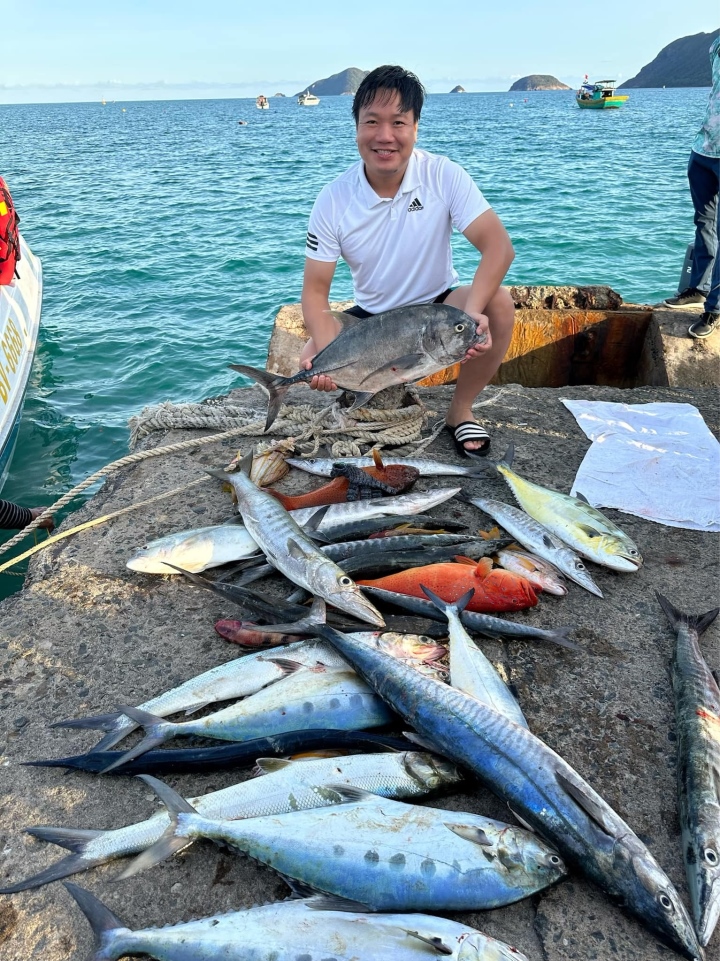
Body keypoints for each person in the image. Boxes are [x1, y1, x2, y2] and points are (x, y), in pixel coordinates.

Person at [299, 64, 515, 456]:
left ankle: (460, 411)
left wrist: (475, 313)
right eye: (372, 122)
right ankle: (353, 385)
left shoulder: (443, 175)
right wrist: (325, 347)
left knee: (498, 303)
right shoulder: (333, 199)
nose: (385, 136)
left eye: (398, 122)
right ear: (356, 127)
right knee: (319, 337)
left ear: (415, 127)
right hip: (369, 318)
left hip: (437, 307)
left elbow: (499, 247)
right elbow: (315, 292)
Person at [663, 35, 720, 339]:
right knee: (704, 223)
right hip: (703, 148)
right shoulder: (717, 42)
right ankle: (700, 287)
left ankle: (714, 309)